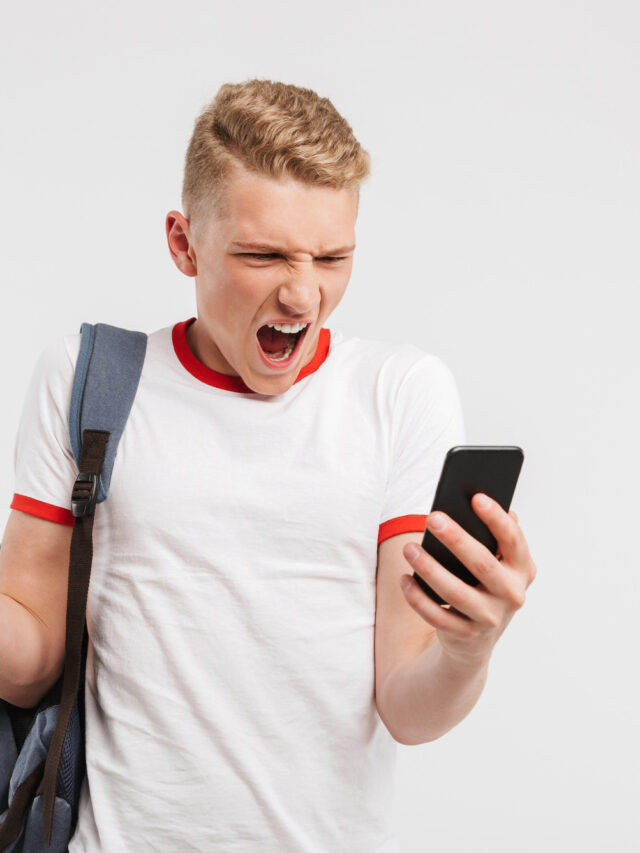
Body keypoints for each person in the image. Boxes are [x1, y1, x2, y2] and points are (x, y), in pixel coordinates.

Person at [0, 79, 536, 852]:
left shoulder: (400, 392)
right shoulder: (90, 380)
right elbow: (27, 664)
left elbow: (408, 709)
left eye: (332, 257)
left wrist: (468, 645)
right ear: (183, 242)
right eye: (264, 254)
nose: (302, 293)